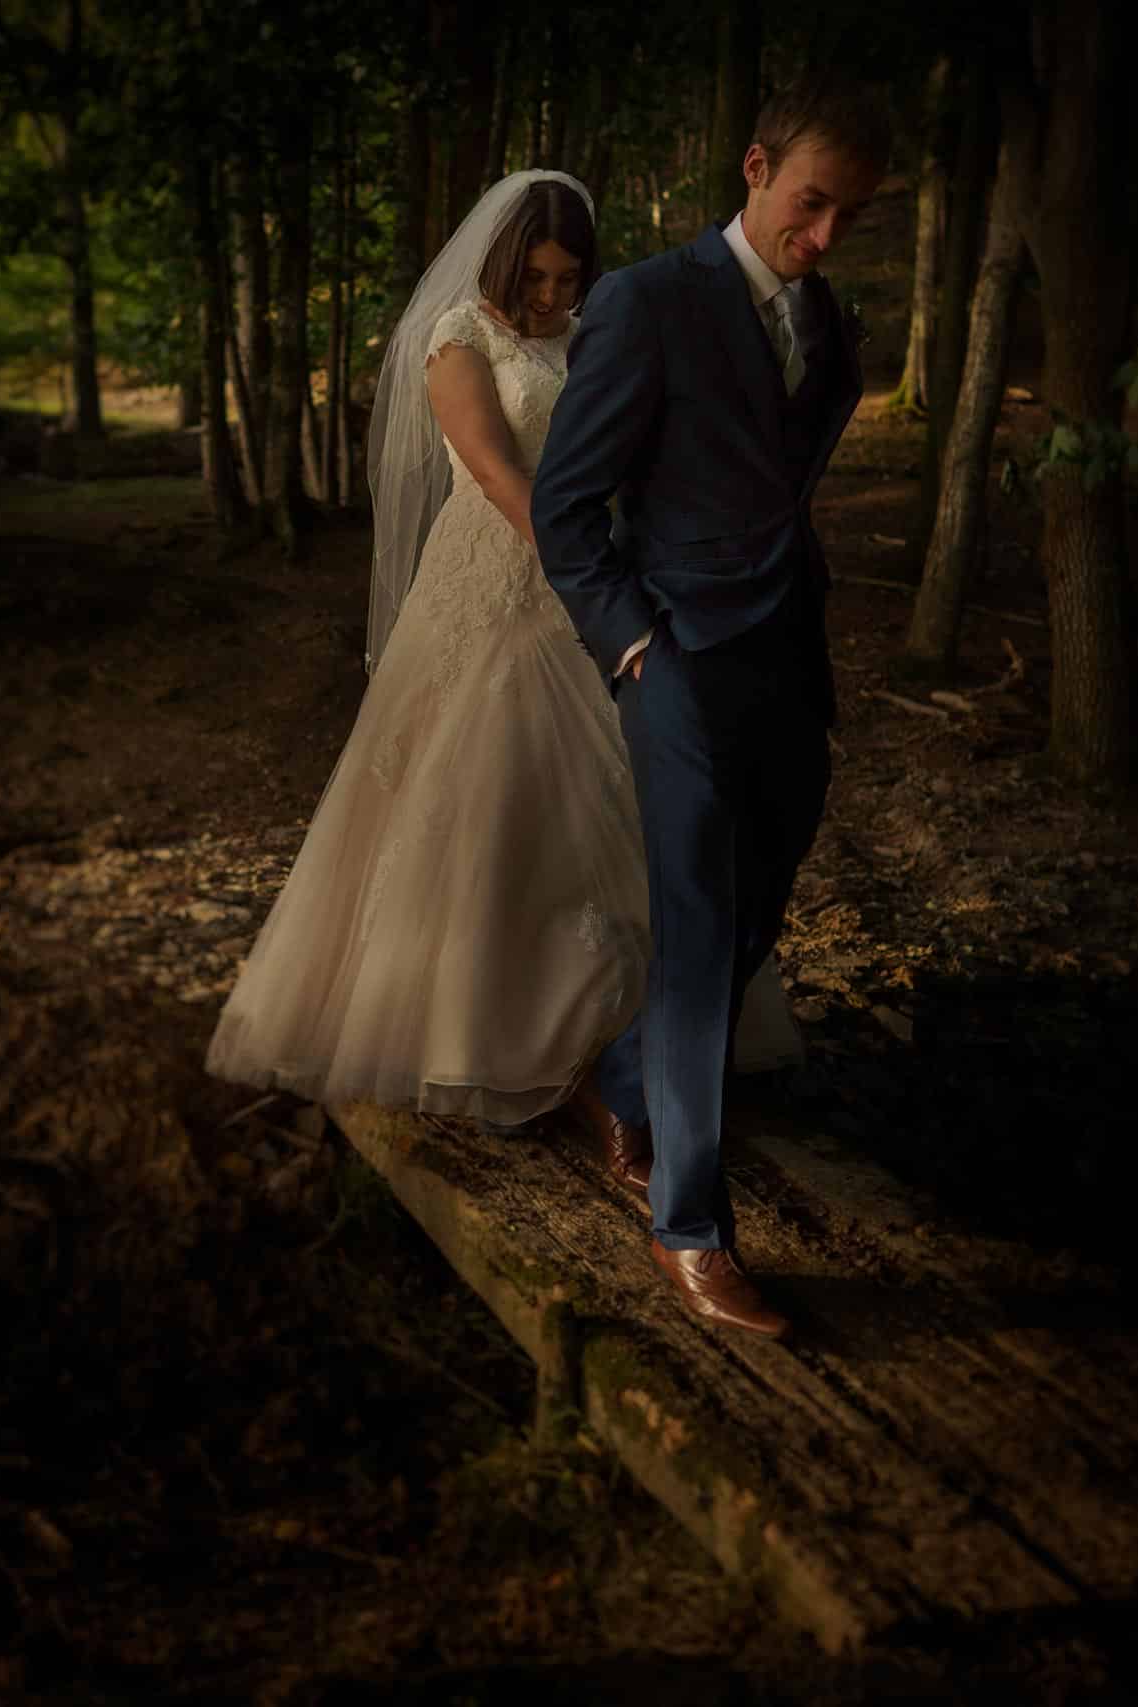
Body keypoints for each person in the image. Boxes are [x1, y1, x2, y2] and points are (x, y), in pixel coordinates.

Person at [207, 170, 802, 1127]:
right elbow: (498, 477)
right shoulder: (459, 341)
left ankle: (625, 1042)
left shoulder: (595, 333)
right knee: (484, 798)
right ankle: (469, 1037)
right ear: (500, 258)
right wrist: (589, 578)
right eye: (537, 276)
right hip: (497, 587)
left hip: (601, 585)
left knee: (632, 803)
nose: (554, 297)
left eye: (571, 278)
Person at [532, 75, 891, 1339]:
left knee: (759, 912)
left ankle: (618, 1084)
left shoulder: (828, 320)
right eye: (809, 204)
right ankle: (689, 1227)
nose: (826, 236)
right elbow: (565, 508)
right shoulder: (645, 301)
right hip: (674, 657)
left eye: (850, 214)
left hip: (789, 657)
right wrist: (632, 644)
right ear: (752, 168)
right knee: (698, 929)